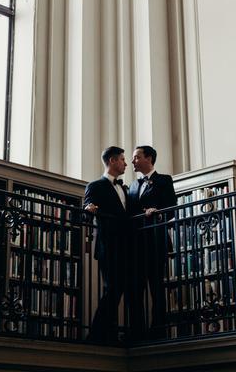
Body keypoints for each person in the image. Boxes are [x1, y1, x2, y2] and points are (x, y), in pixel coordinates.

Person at [128, 144, 177, 340]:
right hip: (136, 244)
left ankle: (158, 331)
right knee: (135, 290)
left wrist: (155, 211)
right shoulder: (132, 185)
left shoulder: (164, 180)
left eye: (136, 157)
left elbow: (171, 208)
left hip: (156, 240)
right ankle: (137, 332)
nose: (133, 161)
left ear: (149, 158)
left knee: (157, 287)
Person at [83, 145, 130, 343]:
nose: (126, 163)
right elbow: (88, 204)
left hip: (127, 247)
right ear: (112, 160)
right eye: (122, 159)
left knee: (120, 289)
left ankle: (108, 334)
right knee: (112, 288)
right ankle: (96, 334)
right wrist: (88, 208)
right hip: (109, 246)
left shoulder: (125, 188)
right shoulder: (95, 185)